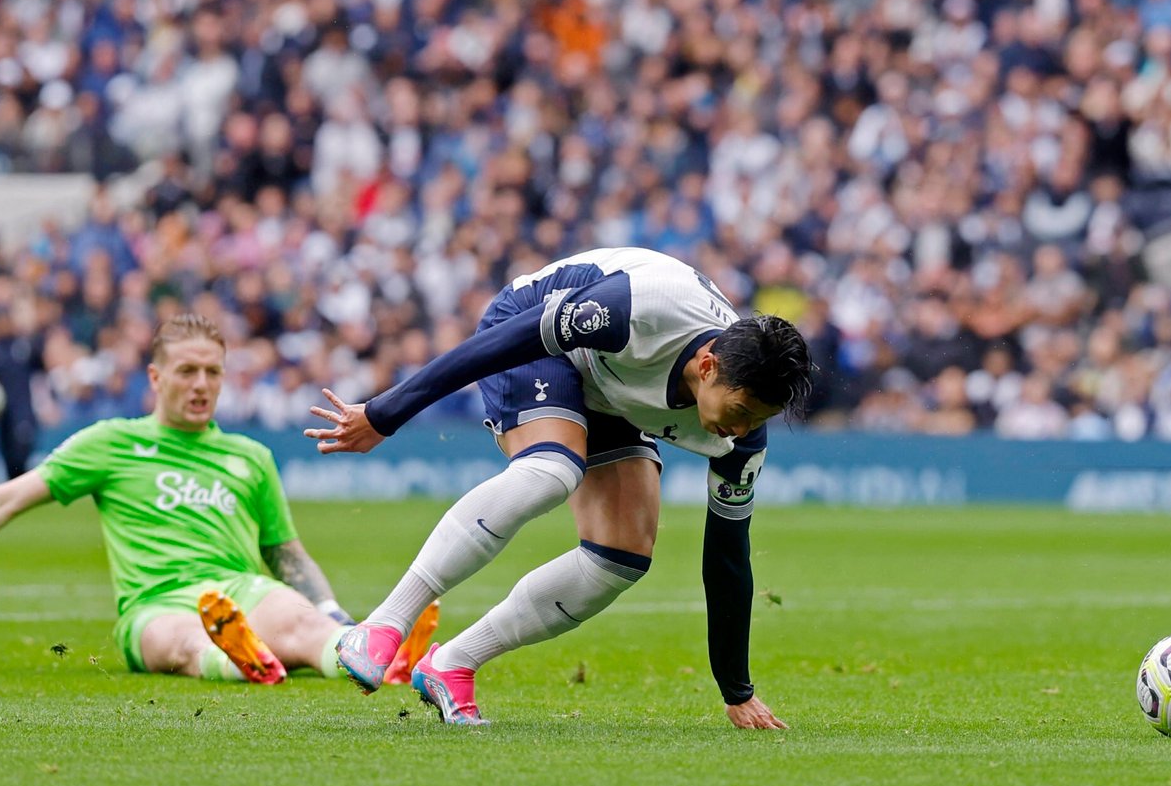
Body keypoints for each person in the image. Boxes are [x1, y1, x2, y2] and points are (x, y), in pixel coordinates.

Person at [305, 248, 813, 727]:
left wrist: (736, 689)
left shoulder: (741, 441)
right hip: (533, 332)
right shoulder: (637, 310)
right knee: (552, 470)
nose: (743, 431)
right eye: (742, 412)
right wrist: (384, 414)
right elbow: (501, 343)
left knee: (624, 553)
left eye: (759, 420)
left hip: (611, 388)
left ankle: (453, 664)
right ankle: (385, 623)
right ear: (707, 367)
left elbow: (727, 556)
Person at [0, 314, 436, 685]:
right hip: (152, 603)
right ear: (155, 378)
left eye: (213, 373)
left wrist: (337, 618)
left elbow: (289, 556)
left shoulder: (249, 457)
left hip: (239, 588)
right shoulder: (110, 444)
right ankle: (243, 657)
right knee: (184, 642)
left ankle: (370, 658)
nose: (201, 385)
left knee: (306, 627)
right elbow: (7, 499)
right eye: (188, 371)